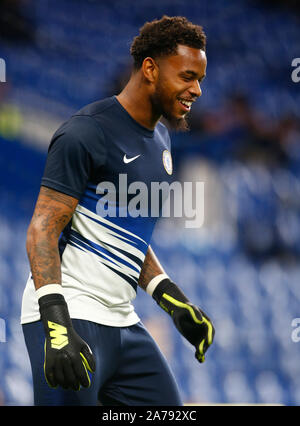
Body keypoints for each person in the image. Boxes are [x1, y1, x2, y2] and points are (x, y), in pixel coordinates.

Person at [21, 15, 215, 406]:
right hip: (70, 315)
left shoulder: (162, 140)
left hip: (123, 320)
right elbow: (42, 229)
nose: (196, 90)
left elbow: (126, 233)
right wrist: (57, 326)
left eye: (200, 80)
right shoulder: (86, 131)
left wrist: (172, 300)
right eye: (187, 76)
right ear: (149, 69)